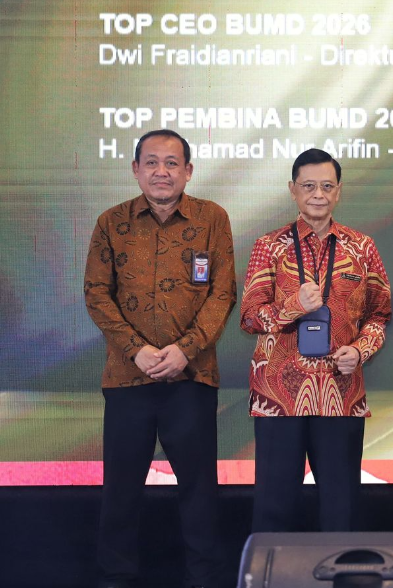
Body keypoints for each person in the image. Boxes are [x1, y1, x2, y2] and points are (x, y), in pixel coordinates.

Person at [84, 129, 236, 588]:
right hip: (127, 379)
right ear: (136, 169)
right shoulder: (111, 222)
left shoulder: (212, 219)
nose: (161, 172)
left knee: (199, 492)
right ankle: (116, 579)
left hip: (192, 378)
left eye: (172, 163)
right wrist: (138, 351)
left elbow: (222, 293)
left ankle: (205, 580)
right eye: (151, 162)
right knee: (120, 493)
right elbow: (96, 294)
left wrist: (185, 350)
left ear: (188, 171)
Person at [239, 148, 391, 533]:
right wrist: (293, 306)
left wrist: (361, 350)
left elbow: (380, 315)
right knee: (274, 508)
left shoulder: (362, 247)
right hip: (278, 396)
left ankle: (341, 568)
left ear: (339, 191)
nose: (318, 194)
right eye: (308, 186)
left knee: (342, 509)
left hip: (341, 393)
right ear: (293, 190)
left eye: (327, 186)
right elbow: (249, 317)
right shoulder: (269, 246)